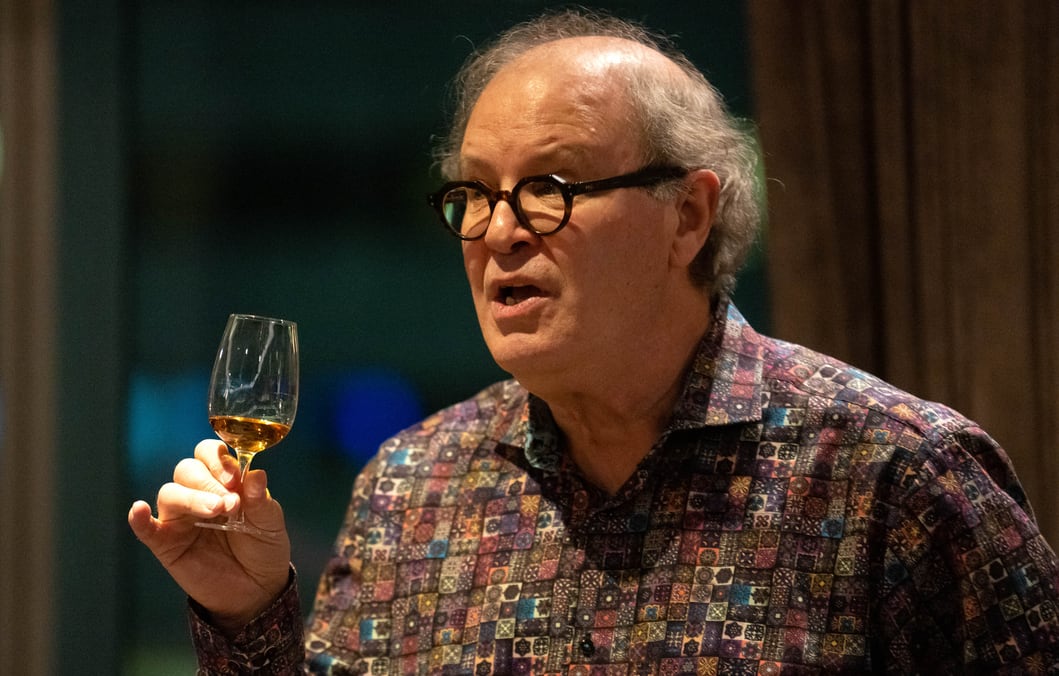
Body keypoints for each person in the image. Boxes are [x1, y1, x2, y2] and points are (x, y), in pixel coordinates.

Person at [129, 9, 1059, 674]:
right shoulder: (410, 488)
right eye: (477, 194)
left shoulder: (894, 474)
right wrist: (247, 612)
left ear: (687, 215)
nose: (498, 231)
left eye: (551, 187)